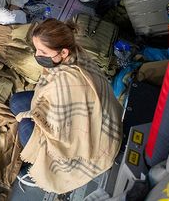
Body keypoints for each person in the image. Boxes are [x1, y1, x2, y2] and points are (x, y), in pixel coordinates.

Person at [10, 20, 123, 192]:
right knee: (17, 102)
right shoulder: (75, 52)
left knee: (23, 127)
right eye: (36, 49)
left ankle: (45, 171)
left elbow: (60, 134)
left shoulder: (67, 82)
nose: (37, 55)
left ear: (63, 52)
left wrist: (36, 115)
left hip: (97, 148)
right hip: (97, 118)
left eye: (42, 51)